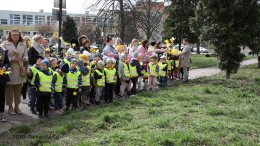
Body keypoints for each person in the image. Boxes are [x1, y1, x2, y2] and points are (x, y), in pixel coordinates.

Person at [1, 28, 28, 115]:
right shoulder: (5, 44)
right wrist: (10, 59)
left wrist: (25, 58)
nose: (16, 36)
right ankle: (10, 107)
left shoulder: (23, 44)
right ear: (10, 35)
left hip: (20, 70)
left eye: (17, 35)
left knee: (18, 90)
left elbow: (26, 55)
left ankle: (17, 106)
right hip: (9, 70)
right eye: (14, 35)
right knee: (9, 90)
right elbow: (1, 57)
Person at [0, 46, 11, 122]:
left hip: (1, 77)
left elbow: (7, 63)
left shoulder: (4, 51)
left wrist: (4, 66)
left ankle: (1, 114)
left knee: (1, 96)